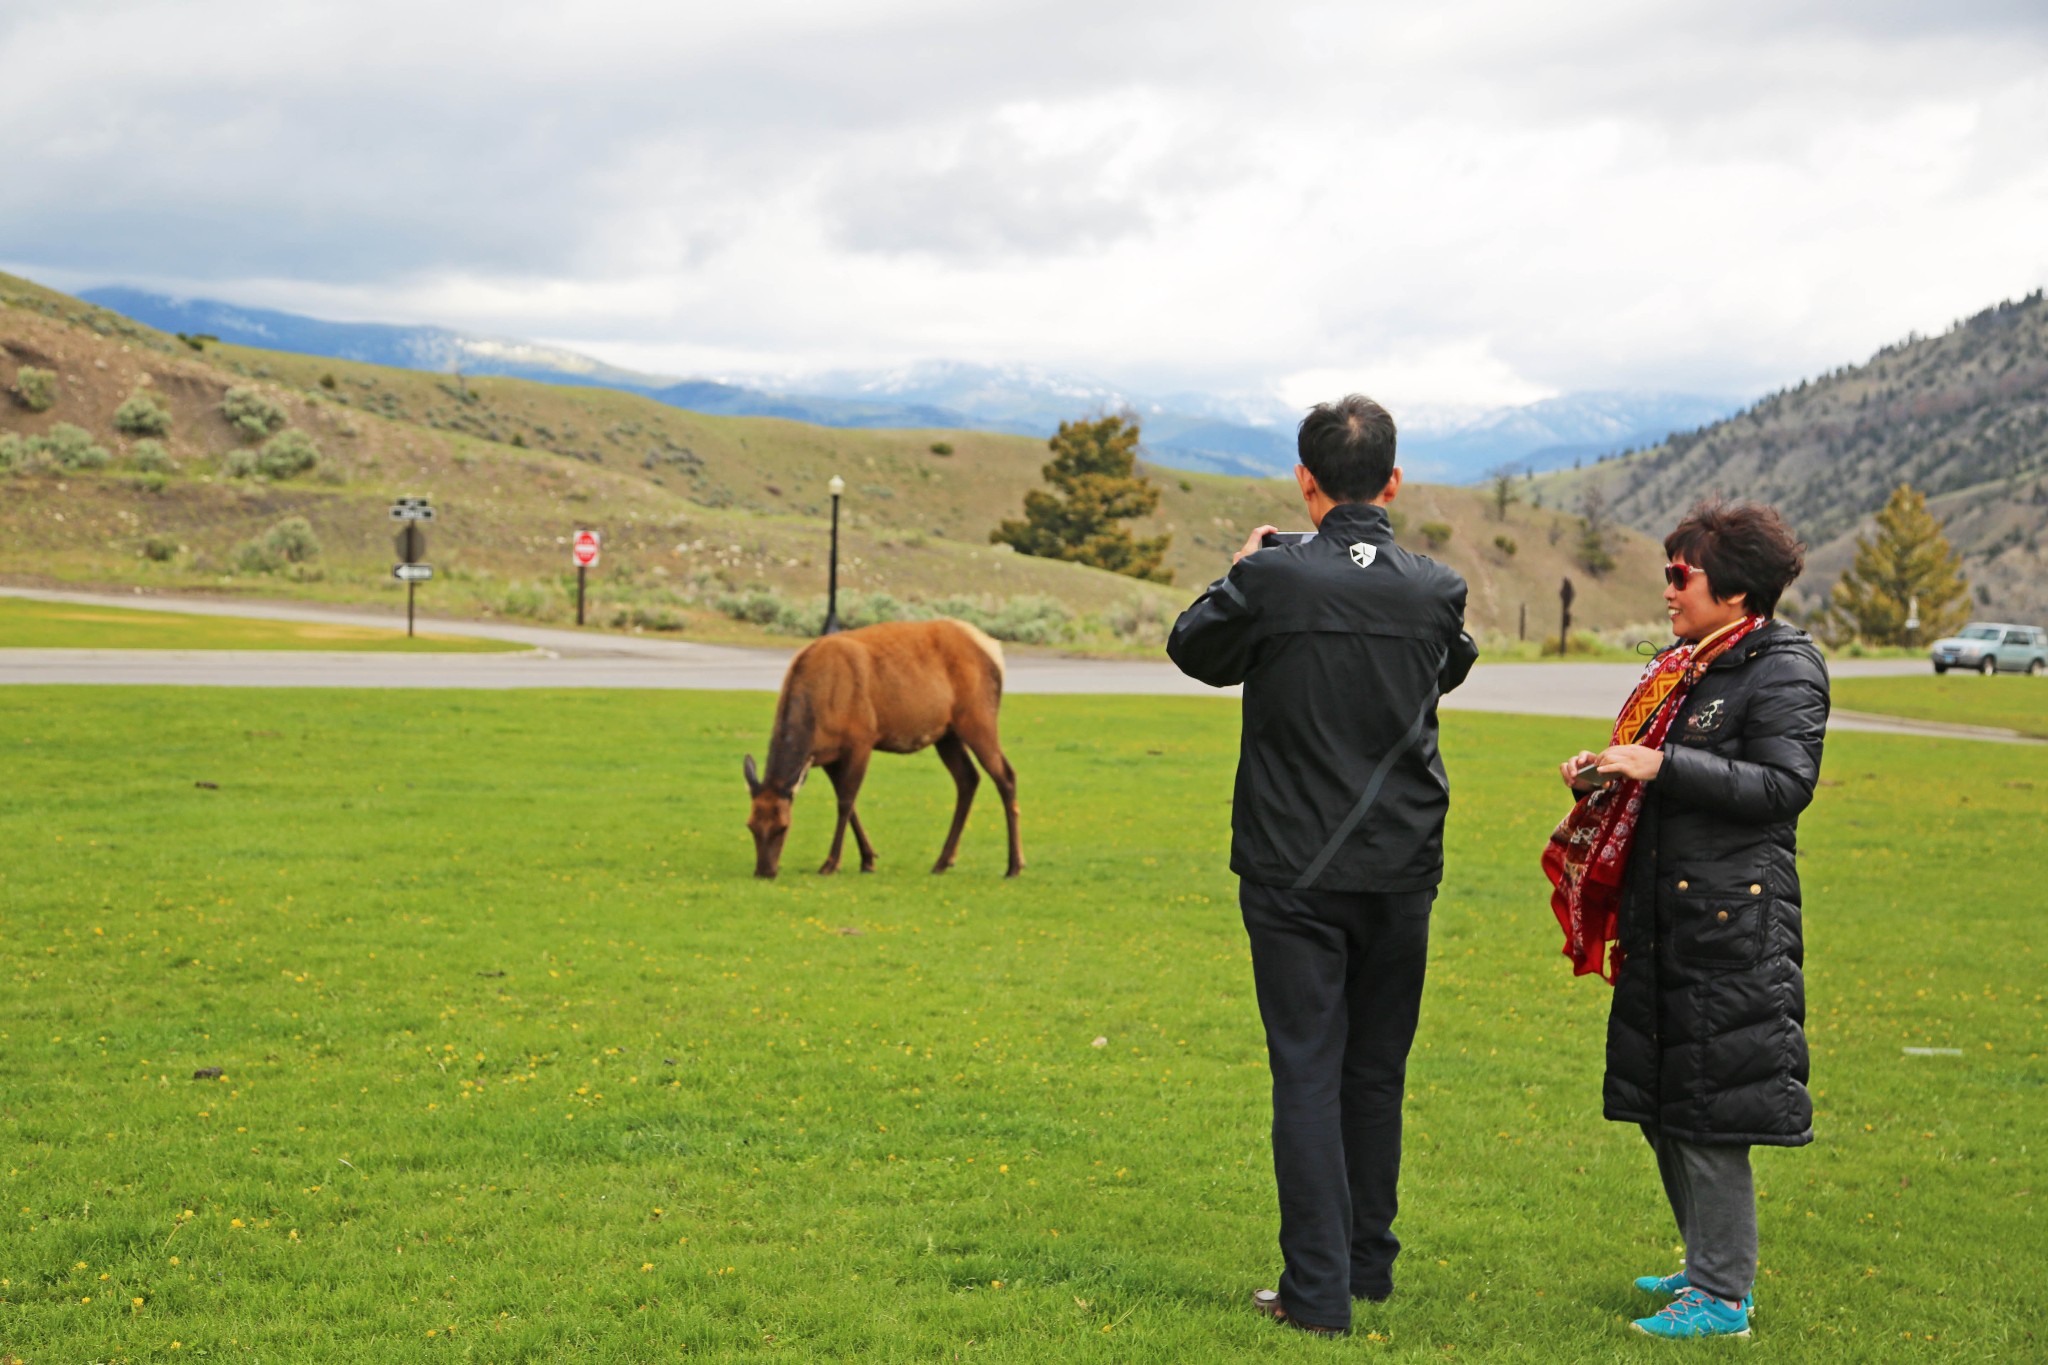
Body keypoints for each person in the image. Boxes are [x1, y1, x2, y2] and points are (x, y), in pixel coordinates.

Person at [1167, 394, 1478, 1338]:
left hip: (1292, 867)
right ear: (1393, 482)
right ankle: (1365, 1266)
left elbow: (1193, 648)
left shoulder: (1274, 580)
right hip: (1402, 863)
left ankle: (1314, 1292)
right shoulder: (1437, 588)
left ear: (1305, 484)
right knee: (1376, 1071)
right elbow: (1449, 668)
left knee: (1307, 1069)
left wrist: (1244, 570)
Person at [1543, 499, 1827, 1342]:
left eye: (1681, 575)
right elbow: (1661, 776)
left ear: (1735, 590)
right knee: (1664, 1100)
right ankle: (1706, 1260)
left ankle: (1721, 1296)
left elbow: (1784, 787)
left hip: (1730, 923)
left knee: (1710, 1111)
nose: (1668, 590)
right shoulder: (1685, 663)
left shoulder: (1784, 667)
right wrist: (1605, 773)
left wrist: (1664, 763)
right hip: (1664, 913)